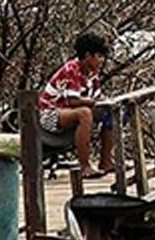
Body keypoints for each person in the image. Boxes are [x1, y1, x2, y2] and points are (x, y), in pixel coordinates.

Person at [39, 32, 115, 177]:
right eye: (99, 56)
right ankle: (84, 166)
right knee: (84, 113)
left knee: (109, 112)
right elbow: (73, 101)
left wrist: (105, 103)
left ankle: (106, 160)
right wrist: (95, 102)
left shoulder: (93, 74)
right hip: (50, 114)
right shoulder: (71, 69)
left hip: (69, 112)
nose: (101, 61)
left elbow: (96, 97)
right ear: (87, 56)